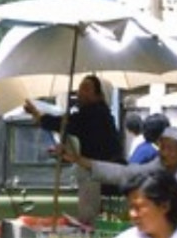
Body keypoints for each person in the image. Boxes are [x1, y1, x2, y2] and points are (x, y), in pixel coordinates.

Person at [61, 126, 177, 238]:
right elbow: (124, 174)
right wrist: (79, 160)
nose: (164, 153)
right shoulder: (157, 166)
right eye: (162, 147)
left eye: (170, 149)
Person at [24, 74, 123, 223]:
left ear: (99, 95)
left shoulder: (95, 113)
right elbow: (82, 136)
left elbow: (64, 124)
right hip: (100, 174)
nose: (80, 92)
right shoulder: (97, 115)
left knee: (92, 220)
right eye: (80, 88)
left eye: (86, 88)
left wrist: (37, 114)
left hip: (99, 177)